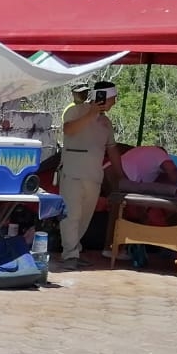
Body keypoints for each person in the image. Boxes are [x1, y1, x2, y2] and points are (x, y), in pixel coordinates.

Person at [56, 79, 123, 269]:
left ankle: (75, 249)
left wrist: (122, 175)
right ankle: (69, 254)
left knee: (84, 217)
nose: (114, 102)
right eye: (112, 98)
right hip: (72, 172)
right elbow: (69, 130)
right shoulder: (76, 111)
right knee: (72, 215)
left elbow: (112, 149)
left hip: (93, 175)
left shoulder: (106, 122)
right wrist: (91, 113)